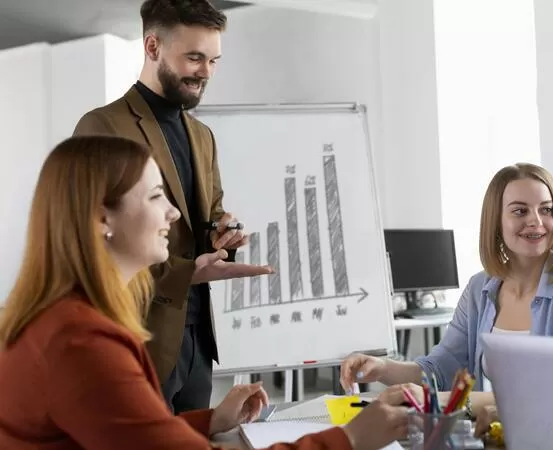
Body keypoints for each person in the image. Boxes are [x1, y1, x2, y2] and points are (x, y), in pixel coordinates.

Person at [0, 135, 409, 450]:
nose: (173, 213)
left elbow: (121, 433)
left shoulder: (59, 318)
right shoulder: (80, 340)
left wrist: (208, 423)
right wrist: (350, 439)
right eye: (156, 196)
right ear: (102, 216)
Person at [71, 0, 271, 413]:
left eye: (214, 60)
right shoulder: (103, 127)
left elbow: (210, 214)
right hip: (137, 335)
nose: (206, 72)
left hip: (198, 338)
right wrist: (186, 273)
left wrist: (222, 234)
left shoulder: (202, 135)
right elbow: (93, 248)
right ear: (152, 46)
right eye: (194, 58)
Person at [340, 162, 553, 423]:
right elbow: (441, 369)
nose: (536, 221)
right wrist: (383, 368)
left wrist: (451, 401)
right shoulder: (480, 289)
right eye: (520, 211)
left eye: (546, 209)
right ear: (496, 222)